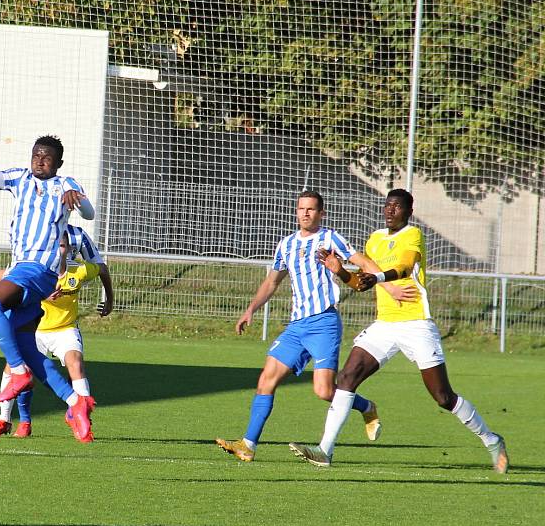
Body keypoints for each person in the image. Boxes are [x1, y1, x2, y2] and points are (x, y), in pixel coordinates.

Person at [289, 188, 509, 473]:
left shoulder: (413, 235)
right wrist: (339, 270)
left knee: (443, 397)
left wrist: (378, 276)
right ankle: (325, 450)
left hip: (416, 323)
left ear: (409, 211)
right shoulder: (376, 239)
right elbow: (360, 283)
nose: (390, 210)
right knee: (347, 377)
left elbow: (404, 268)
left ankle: (491, 439)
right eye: (387, 205)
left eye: (397, 206)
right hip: (385, 325)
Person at [215, 190, 413, 462]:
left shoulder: (330, 239)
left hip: (323, 323)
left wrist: (387, 286)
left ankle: (366, 406)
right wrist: (251, 309)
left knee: (323, 391)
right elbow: (272, 282)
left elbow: (363, 262)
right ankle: (248, 444)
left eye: (311, 209)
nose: (305, 213)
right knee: (265, 380)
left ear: (321, 213)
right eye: (301, 209)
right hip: (297, 326)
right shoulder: (286, 245)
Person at [0, 120, 96, 441]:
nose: (40, 160)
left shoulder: (65, 183)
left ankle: (18, 372)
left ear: (58, 163)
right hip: (27, 270)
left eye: (47, 157)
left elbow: (90, 214)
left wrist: (75, 196)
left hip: (39, 267)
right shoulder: (18, 179)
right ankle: (75, 403)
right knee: (29, 349)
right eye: (37, 155)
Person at [0, 225, 114, 439]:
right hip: (35, 328)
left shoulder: (77, 270)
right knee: (15, 368)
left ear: (69, 248)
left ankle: (82, 417)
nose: (58, 250)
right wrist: (41, 293)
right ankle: (6, 420)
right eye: (54, 246)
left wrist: (109, 300)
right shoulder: (35, 270)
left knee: (75, 362)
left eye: (62, 246)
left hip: (64, 329)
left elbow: (101, 268)